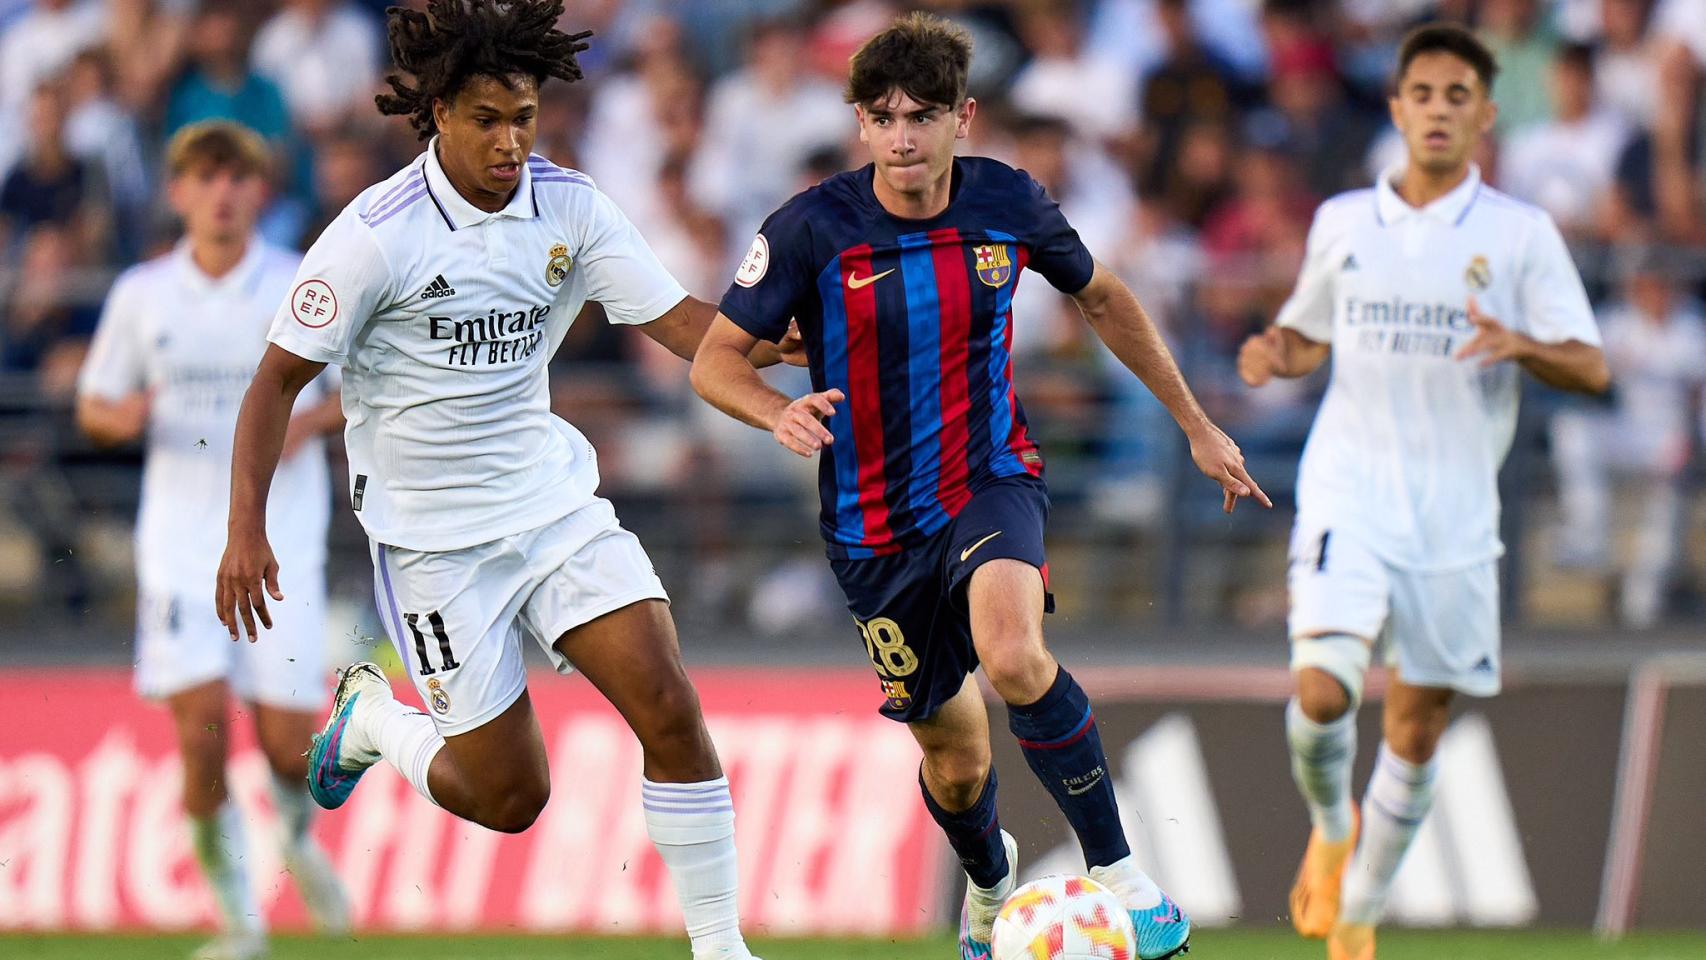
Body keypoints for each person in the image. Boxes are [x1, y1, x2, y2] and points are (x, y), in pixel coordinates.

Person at [213, 4, 794, 958]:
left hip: (553, 507)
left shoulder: (568, 205)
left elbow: (685, 324)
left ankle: (719, 946)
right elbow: (276, 381)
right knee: (509, 797)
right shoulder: (375, 236)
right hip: (436, 542)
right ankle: (371, 722)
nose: (510, 140)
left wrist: (779, 346)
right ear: (437, 112)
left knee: (668, 702)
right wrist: (247, 531)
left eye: (523, 116)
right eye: (487, 118)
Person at [691, 13, 1267, 960]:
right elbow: (714, 360)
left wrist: (1197, 426)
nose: (903, 138)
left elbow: (1105, 298)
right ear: (861, 127)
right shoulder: (810, 227)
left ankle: (1124, 879)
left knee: (1012, 653)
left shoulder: (1008, 202)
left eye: (922, 116)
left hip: (988, 479)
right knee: (955, 764)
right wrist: (772, 410)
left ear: (964, 116)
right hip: (873, 530)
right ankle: (991, 882)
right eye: (882, 119)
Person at [1236, 24, 1611, 960]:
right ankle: (1332, 827)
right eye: (1422, 94)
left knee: (1415, 726)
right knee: (1322, 691)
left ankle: (1358, 912)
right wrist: (1275, 350)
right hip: (1348, 490)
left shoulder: (1520, 236)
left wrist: (1524, 345)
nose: (1439, 110)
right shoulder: (1343, 221)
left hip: (1454, 512)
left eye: (1458, 96)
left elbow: (1593, 366)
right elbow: (1307, 329)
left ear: (1486, 115)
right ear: (1397, 108)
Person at [77, 121, 349, 960]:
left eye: (237, 177)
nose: (222, 192)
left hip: (279, 544)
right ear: (179, 193)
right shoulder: (141, 295)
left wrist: (310, 423)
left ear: (259, 193)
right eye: (205, 177)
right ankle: (241, 925)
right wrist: (114, 416)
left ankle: (298, 842)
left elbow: (359, 388)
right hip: (179, 549)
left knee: (283, 743)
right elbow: (95, 400)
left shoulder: (300, 282)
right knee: (200, 739)